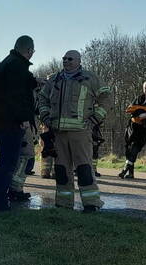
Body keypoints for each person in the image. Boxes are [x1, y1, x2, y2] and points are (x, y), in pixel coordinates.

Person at [36, 50, 112, 212]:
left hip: (81, 133)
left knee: (84, 169)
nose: (66, 61)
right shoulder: (55, 79)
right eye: (64, 58)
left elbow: (106, 99)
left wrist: (94, 119)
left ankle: (91, 204)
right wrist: (45, 116)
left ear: (78, 61)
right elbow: (42, 98)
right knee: (62, 170)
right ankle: (63, 204)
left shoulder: (90, 78)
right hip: (59, 133)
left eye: (70, 59)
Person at [0, 36, 37, 212]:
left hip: (1, 120)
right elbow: (17, 96)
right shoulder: (17, 66)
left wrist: (36, 82)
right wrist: (23, 118)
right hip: (10, 122)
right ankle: (0, 205)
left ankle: (0, 200)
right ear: (30, 51)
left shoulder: (9, 63)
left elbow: (21, 84)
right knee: (8, 163)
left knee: (6, 162)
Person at [118, 81, 146, 179]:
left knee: (135, 149)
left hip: (143, 129)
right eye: (145, 88)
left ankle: (124, 169)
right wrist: (138, 112)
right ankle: (130, 173)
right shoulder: (139, 98)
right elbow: (130, 109)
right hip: (132, 127)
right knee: (129, 150)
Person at [7, 120, 39, 201]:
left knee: (25, 161)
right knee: (25, 160)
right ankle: (15, 190)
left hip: (24, 125)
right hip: (22, 124)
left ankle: (16, 189)